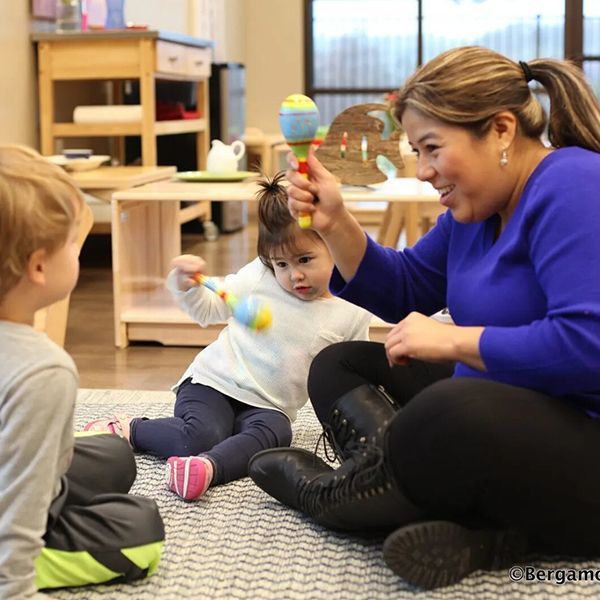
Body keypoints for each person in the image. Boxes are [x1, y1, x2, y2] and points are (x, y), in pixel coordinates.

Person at [248, 46, 600, 590]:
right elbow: (407, 287)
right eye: (417, 150)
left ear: (502, 130)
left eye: (432, 148)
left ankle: (332, 497)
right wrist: (335, 219)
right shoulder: (479, 207)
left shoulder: (574, 185)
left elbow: (588, 346)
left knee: (448, 409)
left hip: (582, 448)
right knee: (340, 364)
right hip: (511, 414)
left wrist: (458, 342)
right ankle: (469, 523)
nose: (424, 170)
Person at [86, 173, 373, 501]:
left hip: (269, 405)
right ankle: (130, 430)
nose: (294, 275)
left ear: (333, 244)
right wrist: (185, 286)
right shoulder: (260, 278)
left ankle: (205, 468)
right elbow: (208, 309)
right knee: (199, 435)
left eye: (305, 260)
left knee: (278, 434)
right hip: (214, 384)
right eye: (281, 263)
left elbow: (352, 372)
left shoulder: (354, 308)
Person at [0, 145, 165, 600]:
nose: (80, 249)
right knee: (142, 531)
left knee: (115, 455)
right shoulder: (41, 370)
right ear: (38, 266)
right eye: (75, 243)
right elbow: (18, 507)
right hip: (9, 522)